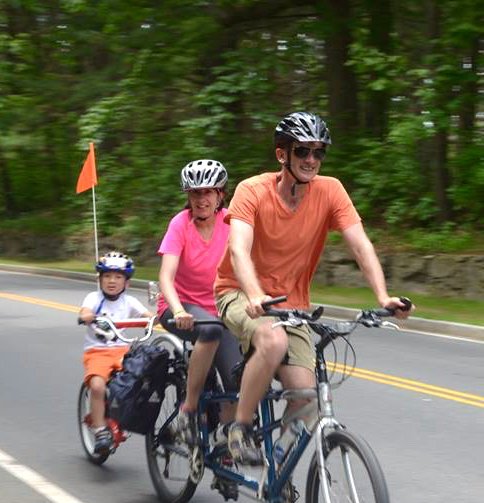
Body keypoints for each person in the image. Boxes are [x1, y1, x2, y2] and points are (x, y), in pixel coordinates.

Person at [214, 111, 413, 464]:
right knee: (273, 341)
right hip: (239, 292)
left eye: (319, 152)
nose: (311, 160)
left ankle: (276, 469)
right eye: (303, 151)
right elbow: (239, 249)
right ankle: (239, 429)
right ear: (282, 154)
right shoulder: (252, 190)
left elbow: (360, 245)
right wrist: (255, 294)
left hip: (291, 304)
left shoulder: (330, 190)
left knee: (306, 397)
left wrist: (383, 297)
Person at [157, 159, 243, 431]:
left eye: (207, 192)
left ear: (220, 195)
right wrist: (179, 311)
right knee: (211, 330)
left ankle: (226, 441)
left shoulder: (232, 222)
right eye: (195, 193)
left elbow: (249, 265)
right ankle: (189, 407)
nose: (201, 199)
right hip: (179, 306)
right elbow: (165, 277)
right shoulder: (180, 224)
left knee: (238, 381)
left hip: (220, 310)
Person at [79, 251, 154, 452]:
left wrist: (153, 319)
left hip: (122, 351)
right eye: (107, 276)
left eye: (118, 277)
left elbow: (147, 315)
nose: (112, 281)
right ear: (100, 279)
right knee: (97, 386)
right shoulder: (93, 298)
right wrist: (87, 316)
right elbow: (85, 311)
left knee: (141, 381)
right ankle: (100, 430)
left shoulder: (129, 301)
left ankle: (126, 416)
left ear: (126, 282)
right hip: (98, 352)